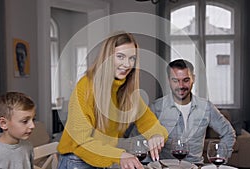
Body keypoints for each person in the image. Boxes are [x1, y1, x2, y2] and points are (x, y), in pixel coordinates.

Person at [57, 32, 168, 169]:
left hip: (102, 160)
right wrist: (120, 155)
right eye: (120, 56)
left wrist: (156, 134)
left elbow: (148, 121)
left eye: (132, 58)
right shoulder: (86, 86)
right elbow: (80, 142)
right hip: (76, 161)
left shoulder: (127, 91)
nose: (127, 64)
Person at [147, 59, 236, 164]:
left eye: (186, 80)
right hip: (165, 166)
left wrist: (219, 157)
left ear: (193, 79)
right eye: (175, 80)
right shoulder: (156, 107)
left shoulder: (206, 107)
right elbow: (139, 139)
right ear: (168, 80)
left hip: (195, 165)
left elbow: (229, 133)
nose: (181, 86)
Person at [0, 91, 36, 169]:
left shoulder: (28, 147)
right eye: (25, 121)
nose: (32, 126)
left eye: (33, 119)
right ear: (3, 123)